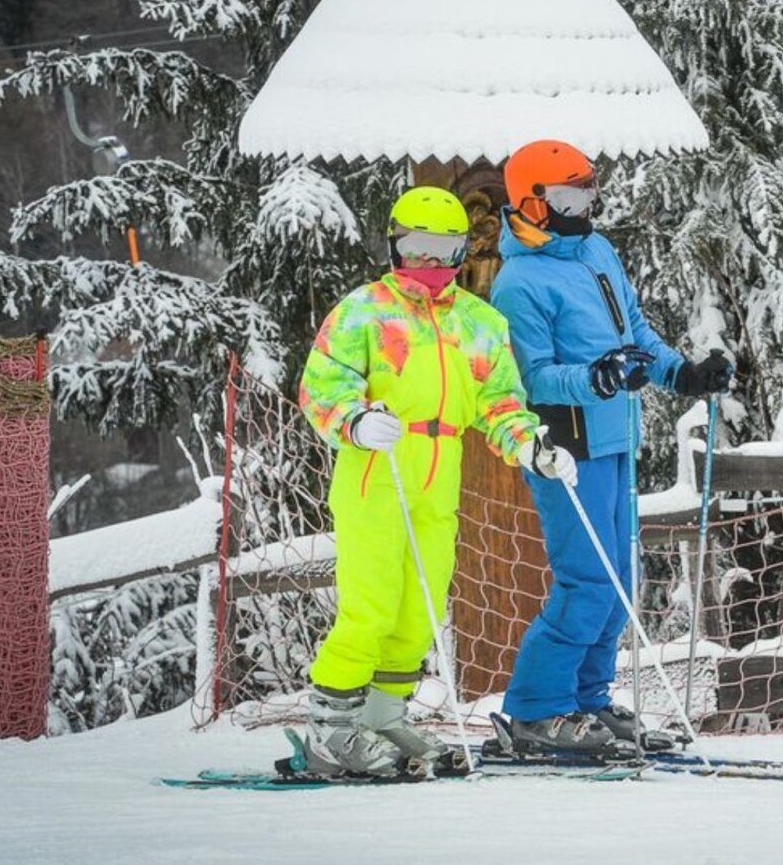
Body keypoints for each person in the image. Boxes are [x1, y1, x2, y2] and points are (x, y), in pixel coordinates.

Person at [297, 185, 578, 776]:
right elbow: (322, 385)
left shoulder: (479, 323)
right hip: (378, 468)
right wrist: (354, 418)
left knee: (420, 609)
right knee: (369, 608)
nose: (431, 262)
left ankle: (381, 716)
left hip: (438, 471)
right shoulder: (365, 310)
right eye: (418, 246)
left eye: (444, 248)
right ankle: (331, 728)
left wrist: (531, 445)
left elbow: (499, 401)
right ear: (395, 244)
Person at [490, 139, 733, 755]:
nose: (585, 205)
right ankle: (536, 711)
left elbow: (633, 331)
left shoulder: (596, 249)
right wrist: (596, 376)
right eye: (570, 195)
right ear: (532, 201)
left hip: (616, 434)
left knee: (622, 577)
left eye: (588, 191)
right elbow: (533, 375)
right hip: (565, 444)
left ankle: (588, 699)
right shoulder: (518, 282)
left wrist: (679, 372)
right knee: (588, 581)